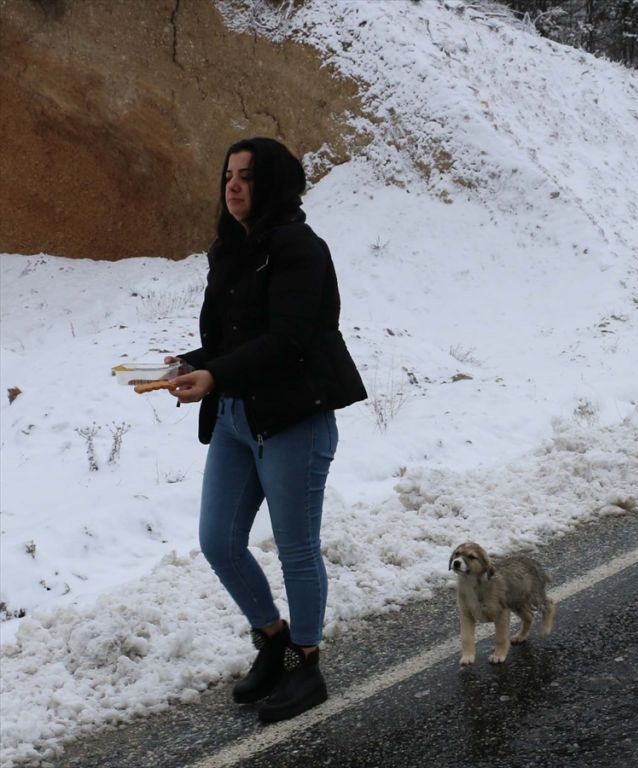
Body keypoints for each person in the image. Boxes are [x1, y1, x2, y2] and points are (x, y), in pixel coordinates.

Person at [166, 137, 366, 723]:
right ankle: (274, 640)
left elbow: (289, 340)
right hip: (235, 418)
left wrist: (214, 373)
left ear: (273, 183)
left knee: (296, 549)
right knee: (218, 541)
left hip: (292, 418)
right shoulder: (229, 250)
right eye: (228, 175)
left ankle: (307, 662)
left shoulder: (301, 249)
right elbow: (233, 342)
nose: (233, 186)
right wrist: (186, 364)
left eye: (247, 177)